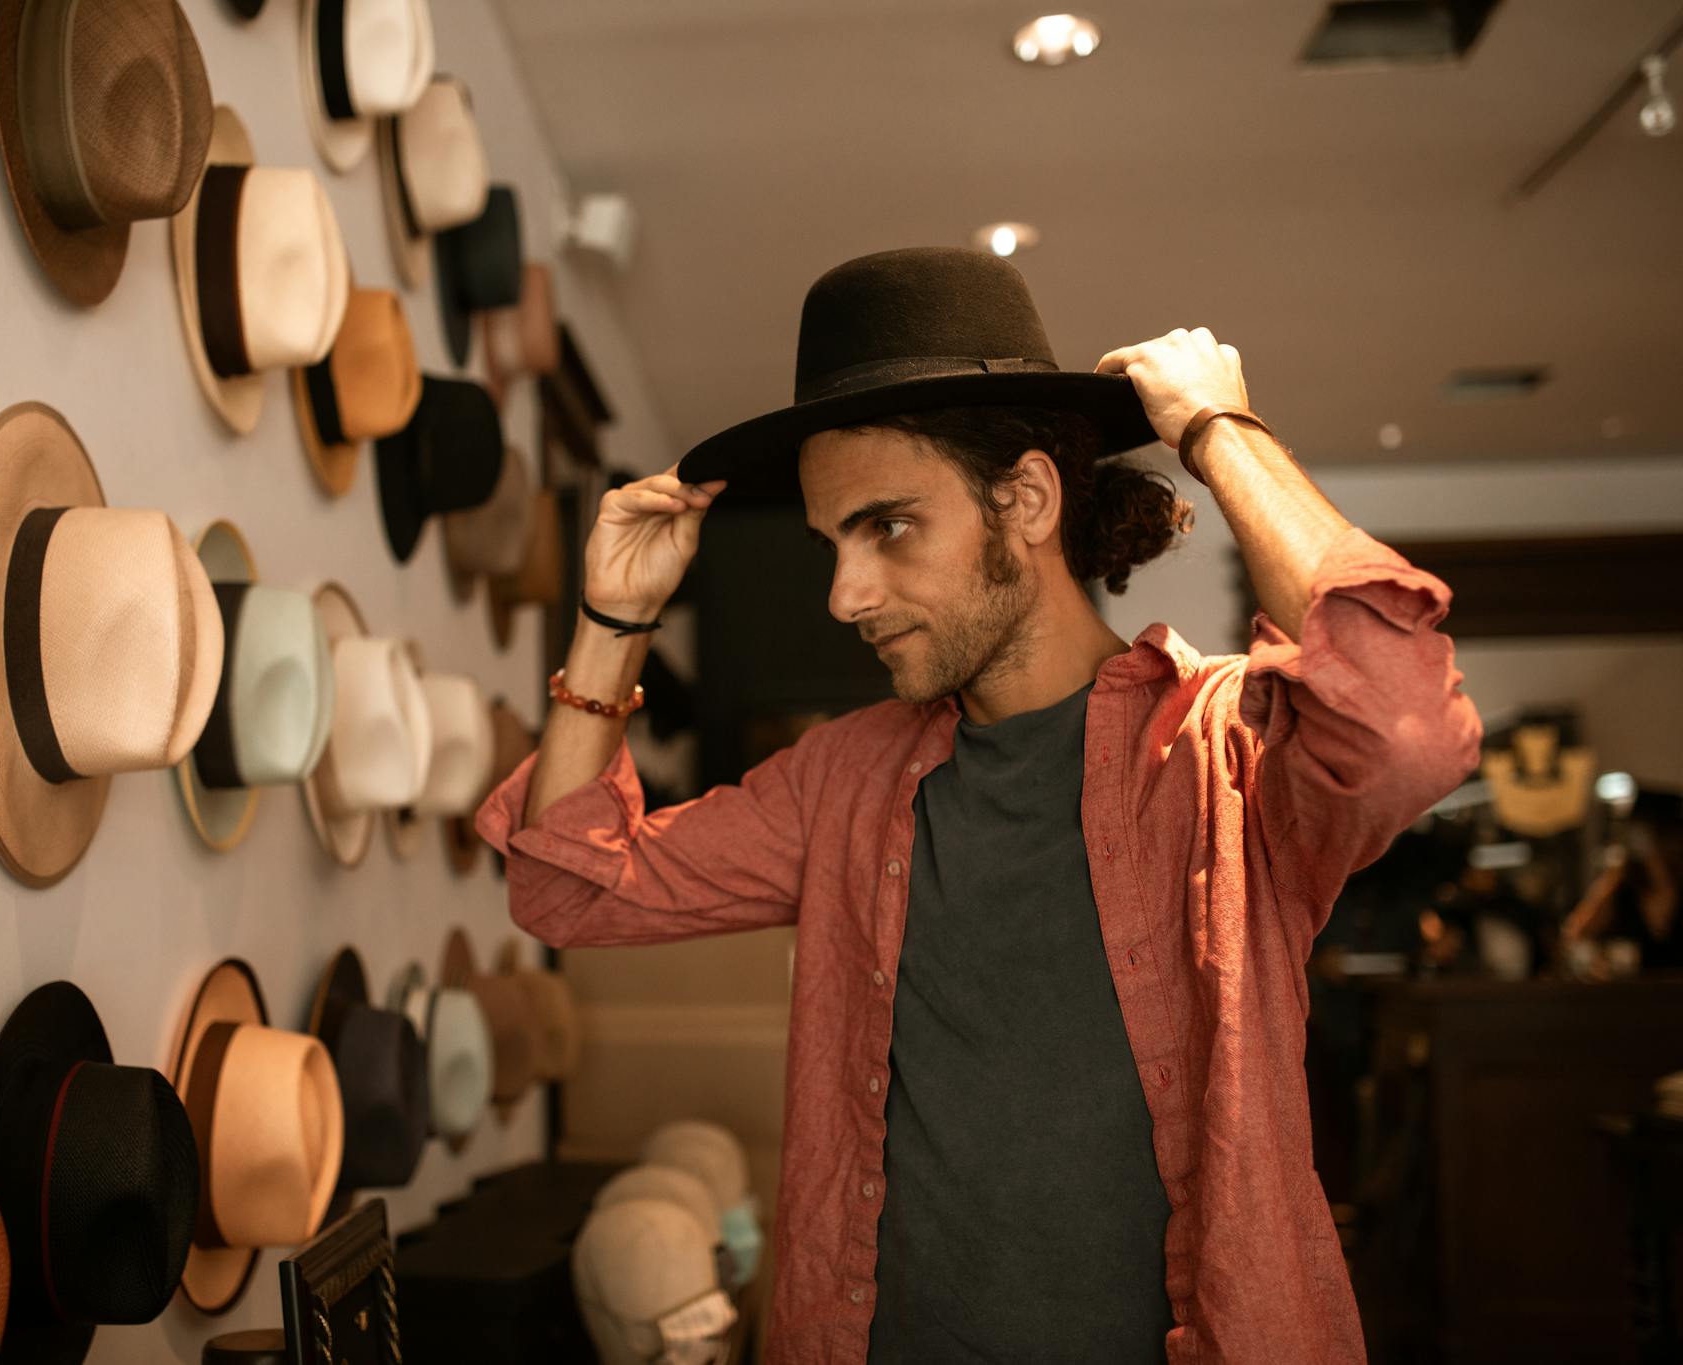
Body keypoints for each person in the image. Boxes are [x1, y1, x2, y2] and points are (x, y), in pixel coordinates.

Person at [474, 247, 1483, 1364]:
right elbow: (571, 887)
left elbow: (1401, 729)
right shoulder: (842, 777)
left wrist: (1216, 434)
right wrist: (612, 621)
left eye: (888, 527)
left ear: (1029, 500)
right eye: (830, 545)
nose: (844, 596)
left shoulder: (1224, 752)